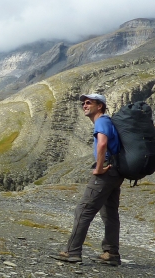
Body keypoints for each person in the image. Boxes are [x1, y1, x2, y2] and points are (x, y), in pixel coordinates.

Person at [51, 93, 124, 266]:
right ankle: (111, 253)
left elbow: (102, 144)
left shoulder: (102, 121)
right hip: (116, 171)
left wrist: (98, 169)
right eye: (83, 103)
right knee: (109, 213)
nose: (84, 105)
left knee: (83, 210)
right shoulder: (106, 121)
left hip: (106, 172)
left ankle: (72, 251)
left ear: (99, 106)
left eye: (88, 102)